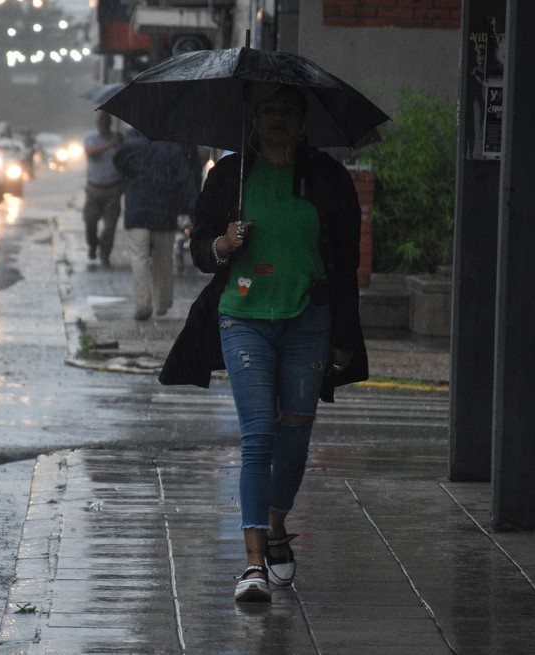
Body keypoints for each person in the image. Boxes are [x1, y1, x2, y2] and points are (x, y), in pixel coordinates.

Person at [158, 84, 369, 602]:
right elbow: (200, 252)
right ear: (252, 117)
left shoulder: (327, 177)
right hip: (243, 317)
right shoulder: (230, 176)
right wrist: (223, 245)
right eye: (267, 109)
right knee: (258, 435)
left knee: (294, 437)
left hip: (309, 321)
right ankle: (252, 563)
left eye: (286, 110)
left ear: (302, 121)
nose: (276, 118)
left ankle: (277, 528)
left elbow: (346, 260)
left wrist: (344, 333)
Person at [112, 130, 198, 321]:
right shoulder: (173, 150)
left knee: (139, 258)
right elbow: (185, 181)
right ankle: (162, 303)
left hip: (138, 211)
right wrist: (188, 211)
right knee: (163, 259)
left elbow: (117, 161)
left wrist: (131, 172)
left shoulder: (130, 146)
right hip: (164, 212)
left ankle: (143, 305)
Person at [81, 111, 126, 267]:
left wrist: (120, 142)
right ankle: (93, 244)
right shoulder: (91, 137)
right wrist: (110, 145)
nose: (102, 123)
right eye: (100, 120)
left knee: (110, 226)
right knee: (90, 221)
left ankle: (105, 253)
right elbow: (90, 152)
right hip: (94, 188)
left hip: (113, 188)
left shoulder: (119, 139)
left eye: (105, 120)